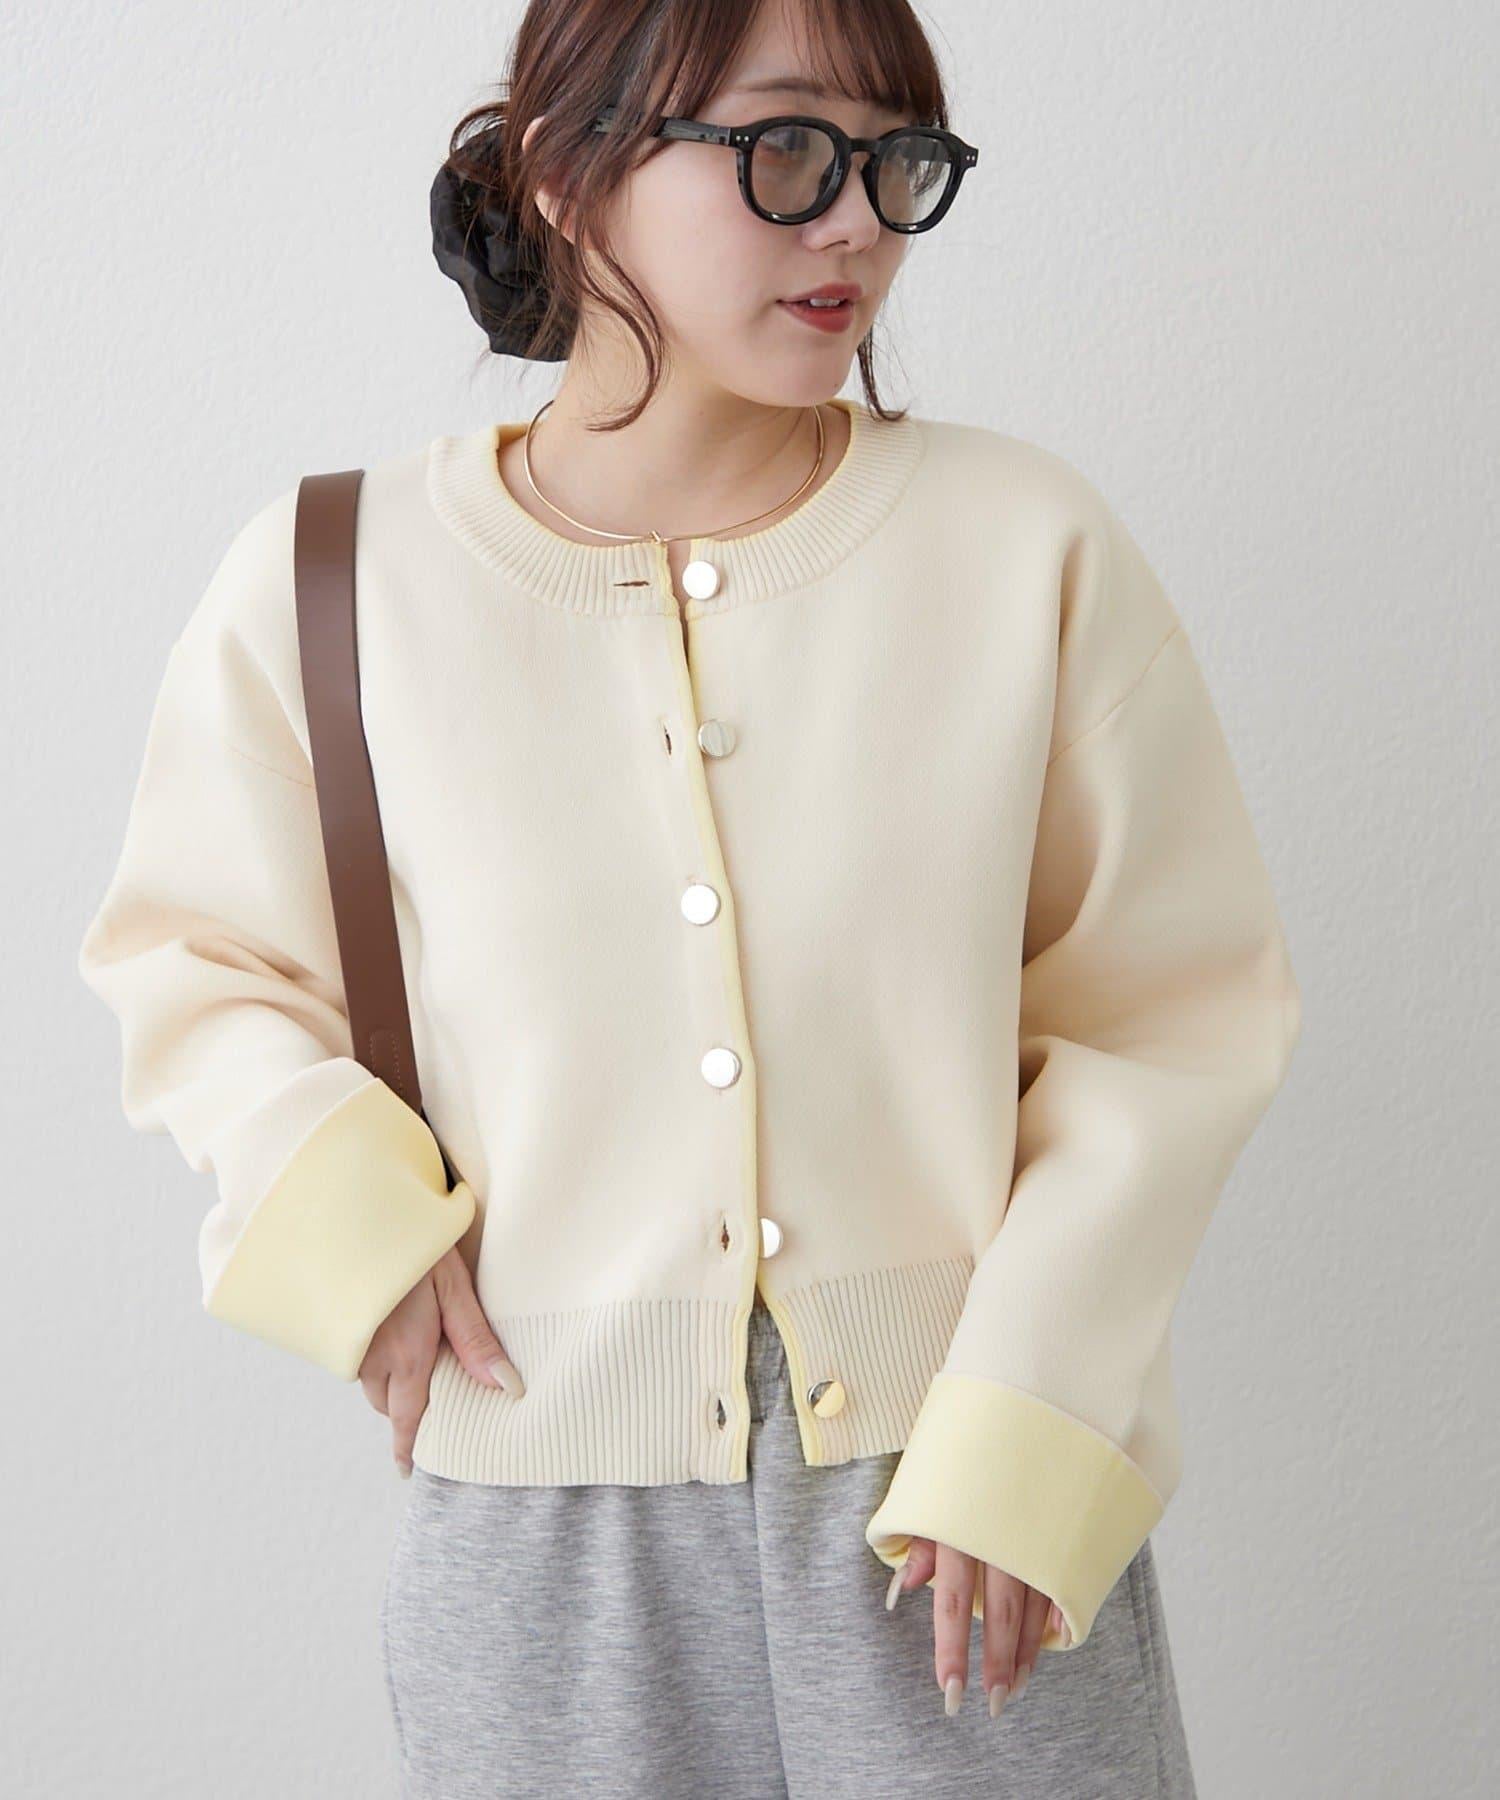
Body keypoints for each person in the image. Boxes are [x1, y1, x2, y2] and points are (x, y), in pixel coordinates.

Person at [76, 0, 1300, 1793]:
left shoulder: (1021, 547)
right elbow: (194, 962)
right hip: (538, 1534)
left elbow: (1167, 1018)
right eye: (786, 151)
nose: (857, 222)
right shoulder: (331, 580)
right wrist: (351, 1234)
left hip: (962, 1518)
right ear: (567, 170)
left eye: (897, 163)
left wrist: (1033, 1424)